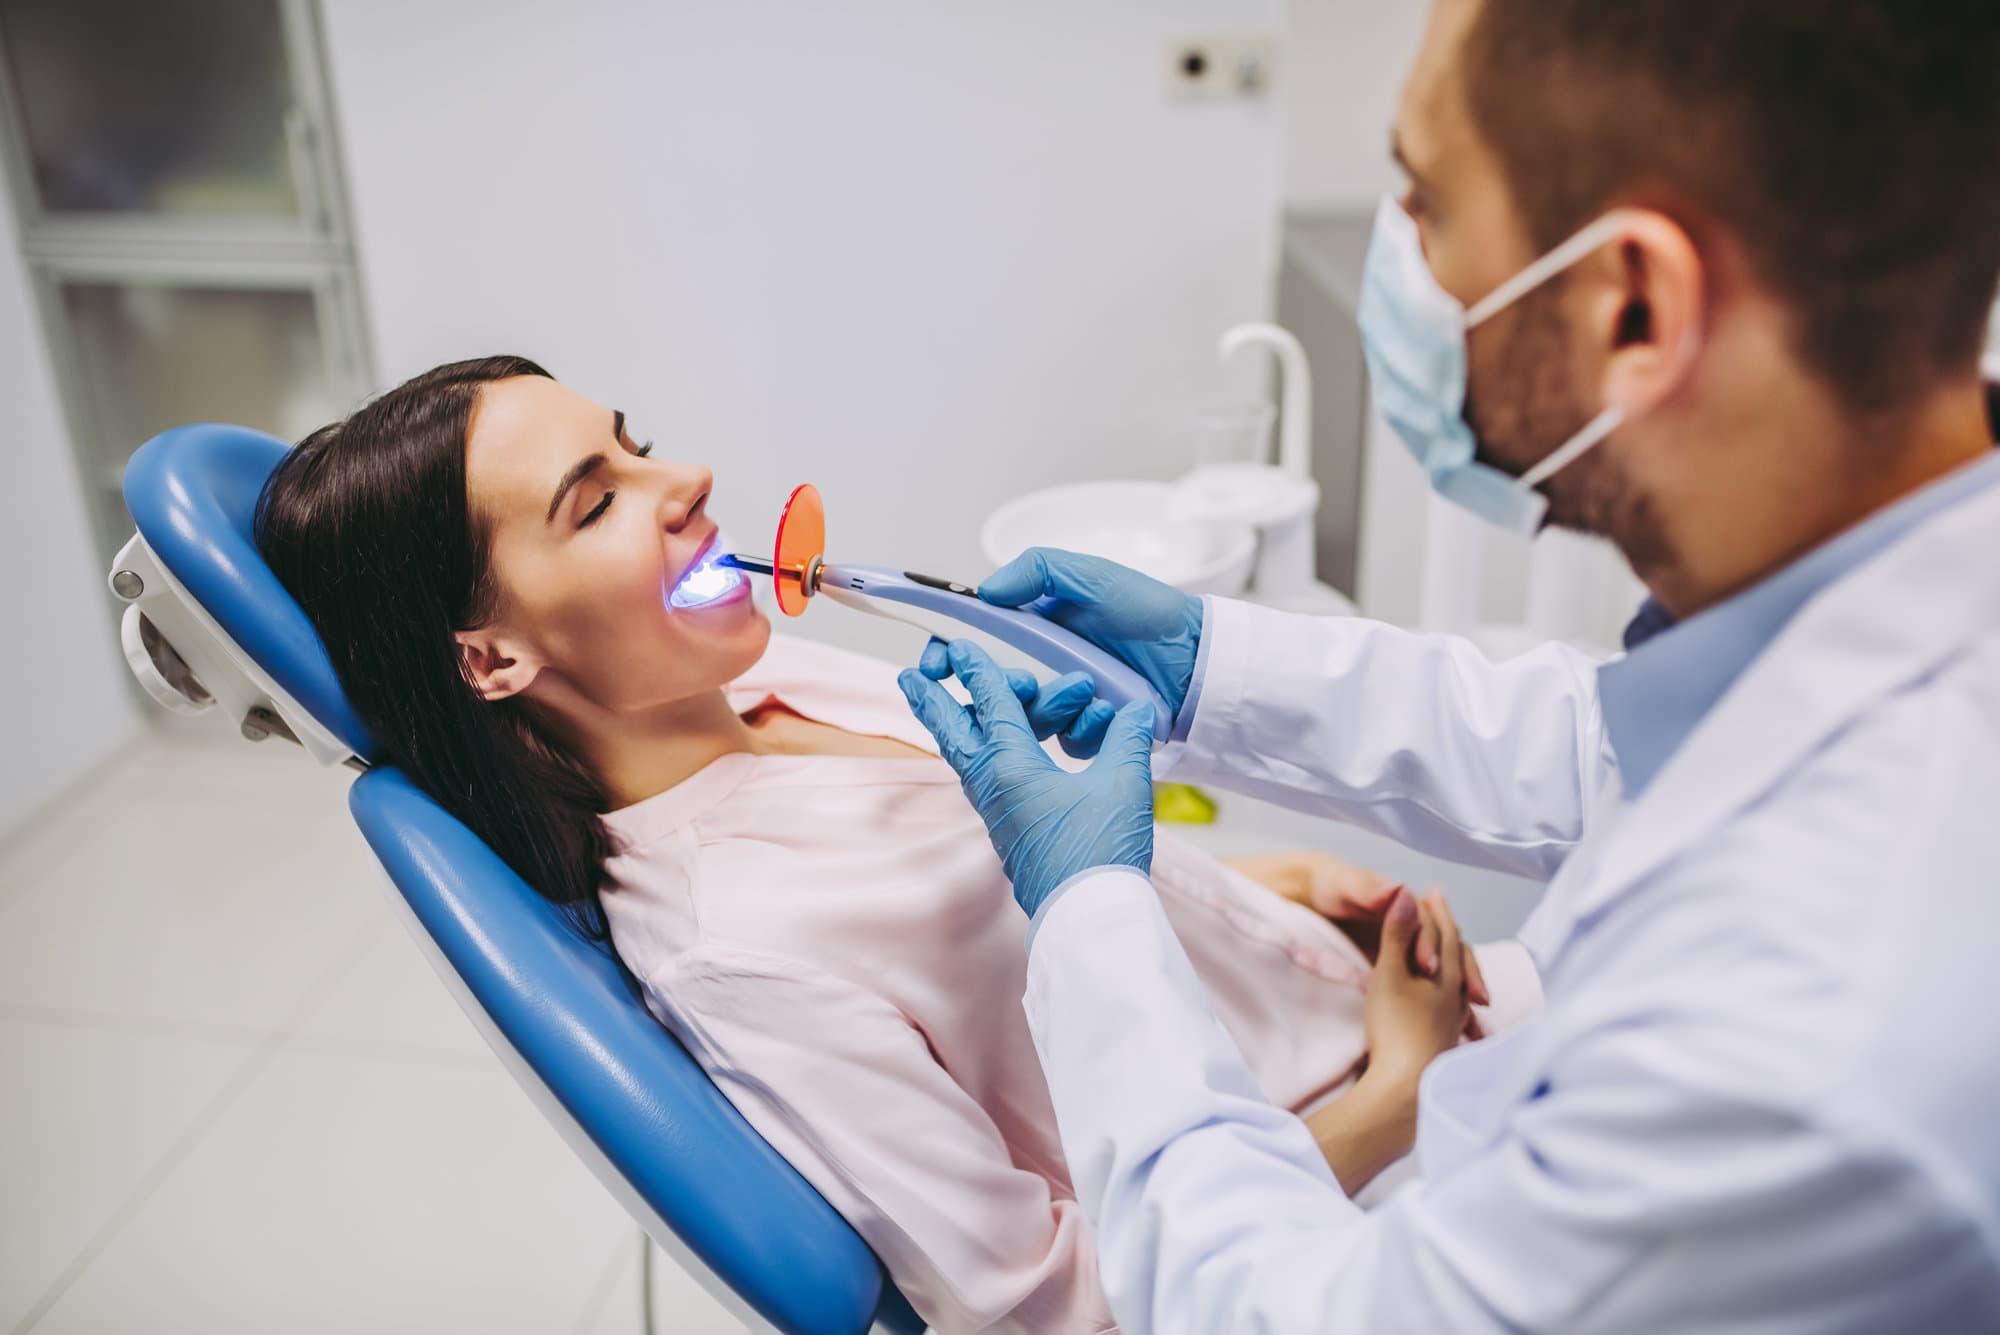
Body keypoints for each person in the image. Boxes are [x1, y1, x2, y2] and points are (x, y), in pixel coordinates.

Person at [899, 2, 2000, 1330]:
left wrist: (1088, 909)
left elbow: (1292, 1313)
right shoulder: (1884, 583)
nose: (1400, 257)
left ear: (1633, 304)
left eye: (1423, 201)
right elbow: (1611, 748)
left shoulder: (1803, 1032)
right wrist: (1208, 667)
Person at [255, 356, 1539, 1334]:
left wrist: (1272, 891)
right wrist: (1399, 1093)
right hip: (1330, 1211)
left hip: (1360, 1011)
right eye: (597, 503)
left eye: (634, 446)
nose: (686, 479)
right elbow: (1043, 1304)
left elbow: (1022, 922)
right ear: (491, 658)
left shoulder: (771, 684)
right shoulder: (732, 949)